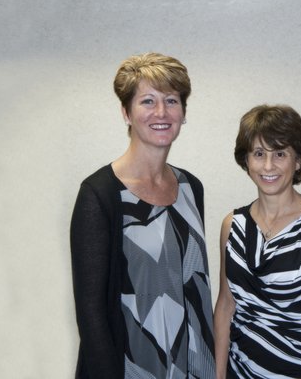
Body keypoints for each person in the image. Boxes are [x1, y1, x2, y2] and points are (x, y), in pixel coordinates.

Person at [70, 52, 215, 379]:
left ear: (184, 112)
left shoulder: (191, 188)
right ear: (126, 113)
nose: (161, 112)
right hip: (133, 368)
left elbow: (193, 287)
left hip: (197, 366)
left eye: (171, 101)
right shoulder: (100, 195)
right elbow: (91, 315)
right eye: (147, 101)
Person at [214, 105, 301, 378]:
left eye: (280, 154)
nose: (268, 166)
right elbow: (225, 305)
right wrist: (218, 374)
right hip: (240, 371)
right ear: (247, 161)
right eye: (258, 154)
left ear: (298, 160)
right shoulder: (232, 225)